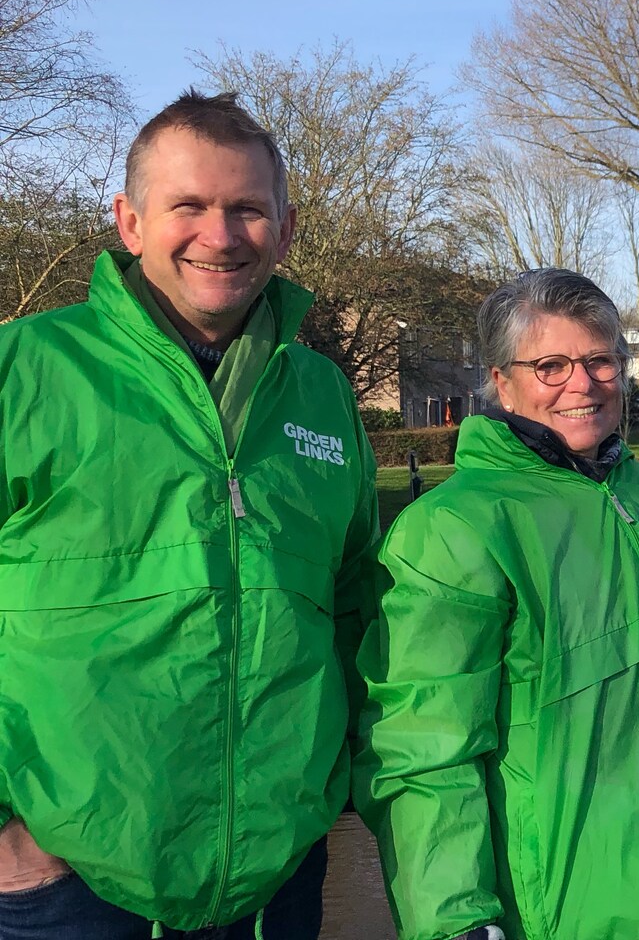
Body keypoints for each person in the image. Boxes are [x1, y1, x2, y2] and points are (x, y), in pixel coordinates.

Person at [0, 92, 381, 937]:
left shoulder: (320, 394)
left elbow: (358, 600)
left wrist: (334, 786)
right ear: (130, 222)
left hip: (276, 880)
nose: (220, 235)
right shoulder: (23, 370)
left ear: (284, 232)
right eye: (190, 207)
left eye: (248, 208)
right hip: (63, 889)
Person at [355, 268, 639, 940]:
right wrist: (454, 921)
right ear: (501, 382)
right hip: (572, 906)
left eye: (599, 359)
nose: (582, 382)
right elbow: (423, 748)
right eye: (551, 364)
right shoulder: (455, 528)